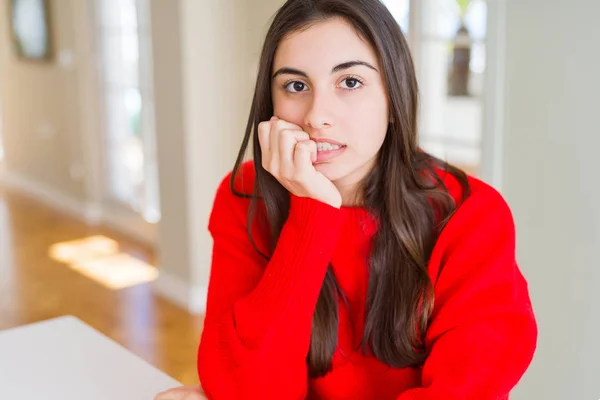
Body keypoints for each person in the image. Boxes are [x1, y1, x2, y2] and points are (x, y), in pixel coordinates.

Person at [154, 0, 538, 399]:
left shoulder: (471, 214)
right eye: (296, 86)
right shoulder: (245, 197)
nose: (317, 115)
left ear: (394, 97)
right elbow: (244, 390)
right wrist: (312, 214)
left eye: (350, 82)